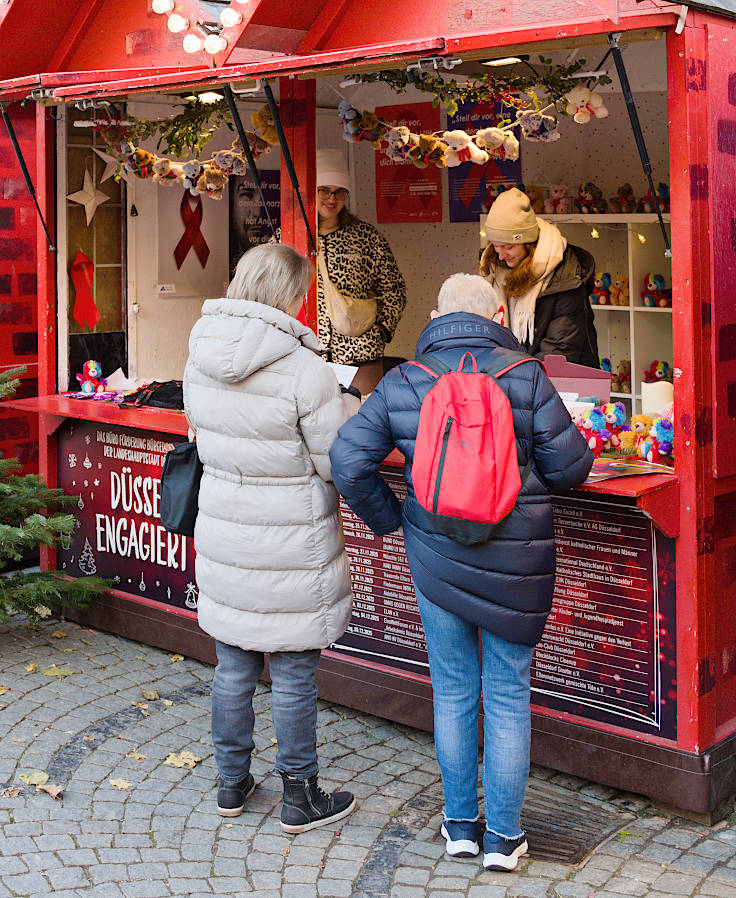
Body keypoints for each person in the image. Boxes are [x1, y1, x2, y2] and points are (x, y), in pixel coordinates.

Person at [329, 273, 593, 870]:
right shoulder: (526, 376)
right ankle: (503, 839)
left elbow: (347, 457)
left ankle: (460, 829)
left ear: (434, 314)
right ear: (497, 312)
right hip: (516, 561)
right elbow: (571, 469)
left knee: (451, 690)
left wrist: (393, 518)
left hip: (436, 554)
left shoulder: (405, 380)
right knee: (506, 693)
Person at [183, 242, 357, 834]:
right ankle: (299, 796)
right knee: (292, 671)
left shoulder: (199, 350)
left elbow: (201, 434)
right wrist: (350, 407)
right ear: (290, 295)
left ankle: (231, 783)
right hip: (291, 540)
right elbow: (335, 462)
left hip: (227, 530)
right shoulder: (305, 368)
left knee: (232, 664)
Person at [314, 147, 407, 387]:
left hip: (360, 355)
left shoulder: (366, 237)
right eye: (324, 190)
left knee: (361, 418)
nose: (332, 199)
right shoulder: (290, 238)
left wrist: (381, 329)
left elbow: (393, 288)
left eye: (339, 192)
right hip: (307, 355)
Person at [480, 187, 600, 366]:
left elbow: (560, 350)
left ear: (528, 243)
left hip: (562, 380)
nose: (501, 255)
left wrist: (513, 374)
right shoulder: (493, 269)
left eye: (508, 247)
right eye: (496, 247)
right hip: (520, 375)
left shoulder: (564, 273)